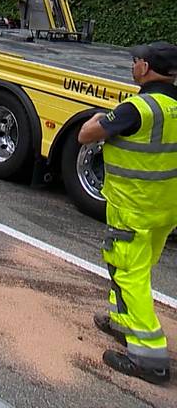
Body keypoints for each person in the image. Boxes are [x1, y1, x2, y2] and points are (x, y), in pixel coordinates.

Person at [78, 40, 177, 385]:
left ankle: (149, 357)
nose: (133, 65)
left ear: (146, 68)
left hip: (132, 207)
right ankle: (123, 323)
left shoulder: (137, 108)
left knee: (128, 272)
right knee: (138, 267)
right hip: (165, 210)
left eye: (136, 60)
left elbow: (86, 134)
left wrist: (96, 118)